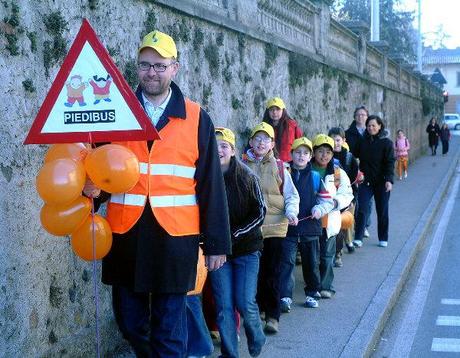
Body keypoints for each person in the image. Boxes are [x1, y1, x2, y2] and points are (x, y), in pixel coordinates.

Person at [85, 30, 232, 357]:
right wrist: (91, 192)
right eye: (145, 65)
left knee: (169, 329)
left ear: (174, 68)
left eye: (160, 66)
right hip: (127, 234)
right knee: (130, 323)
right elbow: (100, 167)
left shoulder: (196, 117)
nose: (152, 72)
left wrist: (217, 243)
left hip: (175, 238)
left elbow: (210, 183)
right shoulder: (116, 110)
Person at [209, 127, 266, 358]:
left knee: (244, 302)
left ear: (232, 150)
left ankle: (257, 335)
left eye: (225, 145)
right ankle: (230, 353)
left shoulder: (247, 176)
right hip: (217, 251)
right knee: (223, 307)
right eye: (215, 145)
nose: (219, 149)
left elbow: (260, 212)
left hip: (246, 250)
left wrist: (234, 235)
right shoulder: (203, 176)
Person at [242, 122, 299, 334]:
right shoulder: (242, 164)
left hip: (275, 227)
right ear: (250, 142)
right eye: (257, 138)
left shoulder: (281, 166)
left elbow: (291, 195)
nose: (261, 142)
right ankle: (257, 312)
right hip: (250, 229)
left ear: (272, 144)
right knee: (253, 273)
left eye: (266, 139)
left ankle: (273, 316)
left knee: (272, 271)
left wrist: (292, 212)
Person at [279, 137, 334, 311]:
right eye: (298, 152)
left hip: (310, 228)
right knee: (286, 263)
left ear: (310, 156)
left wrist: (319, 209)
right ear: (292, 154)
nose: (301, 156)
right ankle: (285, 296)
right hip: (288, 227)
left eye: (305, 153)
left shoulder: (316, 177)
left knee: (311, 262)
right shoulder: (284, 173)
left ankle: (312, 293)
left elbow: (327, 201)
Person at [311, 134, 353, 298]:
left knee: (327, 255)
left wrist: (336, 203)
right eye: (320, 151)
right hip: (310, 220)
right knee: (312, 257)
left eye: (328, 152)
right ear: (314, 152)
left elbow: (347, 193)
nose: (324, 155)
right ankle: (313, 286)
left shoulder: (338, 173)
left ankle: (326, 286)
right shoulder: (305, 168)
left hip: (330, 221)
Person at [353, 115, 395, 248]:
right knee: (362, 208)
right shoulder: (362, 141)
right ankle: (358, 237)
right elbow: (353, 155)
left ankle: (383, 237)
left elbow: (390, 163)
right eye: (369, 126)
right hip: (366, 182)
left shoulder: (386, 143)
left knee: (382, 210)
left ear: (379, 126)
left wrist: (389, 180)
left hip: (382, 182)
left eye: (373, 125)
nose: (371, 128)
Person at [328, 127, 361, 262]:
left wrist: (352, 198)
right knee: (333, 226)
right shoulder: (325, 155)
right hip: (330, 197)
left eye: (338, 140)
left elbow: (354, 179)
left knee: (343, 225)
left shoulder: (349, 157)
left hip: (346, 197)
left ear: (343, 141)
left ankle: (340, 250)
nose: (335, 143)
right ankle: (337, 251)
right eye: (332, 140)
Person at [346, 105, 371, 239]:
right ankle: (354, 225)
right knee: (354, 198)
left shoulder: (371, 132)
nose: (361, 117)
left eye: (363, 115)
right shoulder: (348, 133)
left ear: (367, 117)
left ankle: (365, 225)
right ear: (354, 117)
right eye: (358, 115)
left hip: (368, 169)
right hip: (353, 169)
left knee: (367, 200)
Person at [262, 97, 303, 162]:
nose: (274, 112)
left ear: (283, 110)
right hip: (269, 164)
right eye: (271, 109)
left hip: (289, 164)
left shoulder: (292, 126)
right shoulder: (263, 127)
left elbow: (301, 144)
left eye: (278, 109)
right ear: (268, 112)